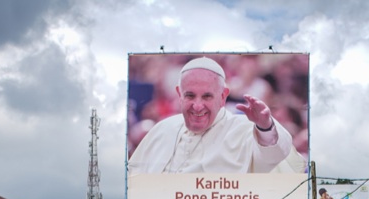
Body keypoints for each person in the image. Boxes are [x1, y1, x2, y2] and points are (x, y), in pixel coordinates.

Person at [128, 57, 298, 174]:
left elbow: (276, 156)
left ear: (223, 96)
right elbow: (135, 186)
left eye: (207, 96)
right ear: (179, 94)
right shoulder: (162, 130)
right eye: (190, 96)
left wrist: (265, 127)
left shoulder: (244, 128)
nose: (197, 105)